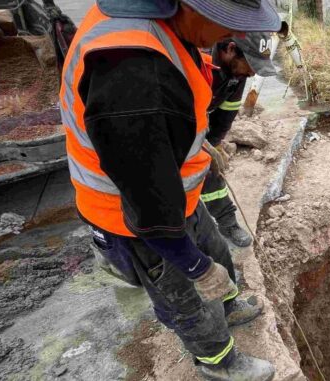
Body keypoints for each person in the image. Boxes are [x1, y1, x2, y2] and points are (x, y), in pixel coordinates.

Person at [59, 0, 280, 379]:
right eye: (231, 24)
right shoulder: (133, 72)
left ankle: (228, 306)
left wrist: (197, 143)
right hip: (131, 214)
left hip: (174, 192)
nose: (239, 35)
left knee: (215, 251)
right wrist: (193, 265)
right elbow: (149, 210)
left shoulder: (166, 24)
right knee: (185, 293)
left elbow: (165, 129)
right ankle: (218, 362)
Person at [201, 31, 276, 247]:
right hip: (164, 125)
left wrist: (214, 142)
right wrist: (199, 144)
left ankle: (227, 222)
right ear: (230, 50)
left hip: (196, 120)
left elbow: (227, 111)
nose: (253, 74)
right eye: (251, 64)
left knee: (210, 169)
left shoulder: (237, 73)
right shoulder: (196, 63)